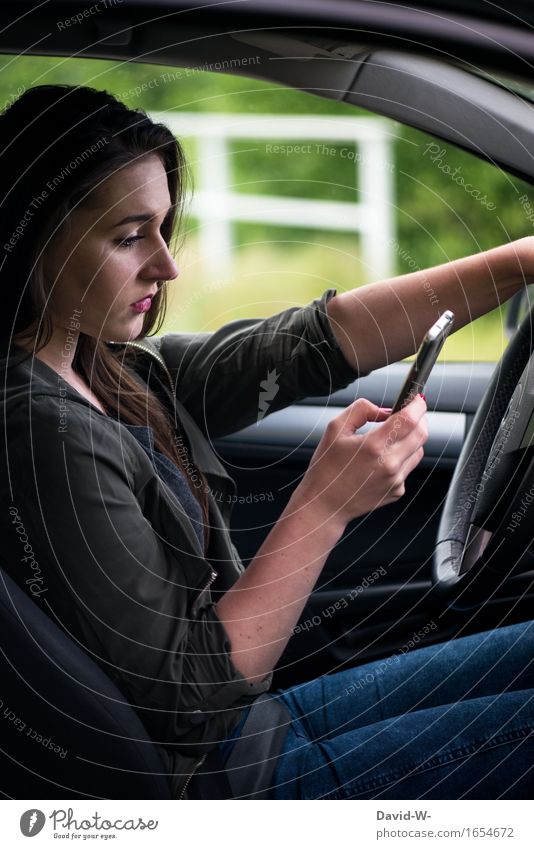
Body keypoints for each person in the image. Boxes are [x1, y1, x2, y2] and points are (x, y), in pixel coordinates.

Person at [0, 83, 532, 801]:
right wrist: (324, 505)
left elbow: (310, 343)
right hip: (234, 784)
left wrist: (522, 261)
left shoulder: (109, 367)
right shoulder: (41, 431)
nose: (167, 265)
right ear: (34, 241)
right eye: (129, 237)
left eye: (164, 228)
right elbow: (189, 704)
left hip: (259, 731)